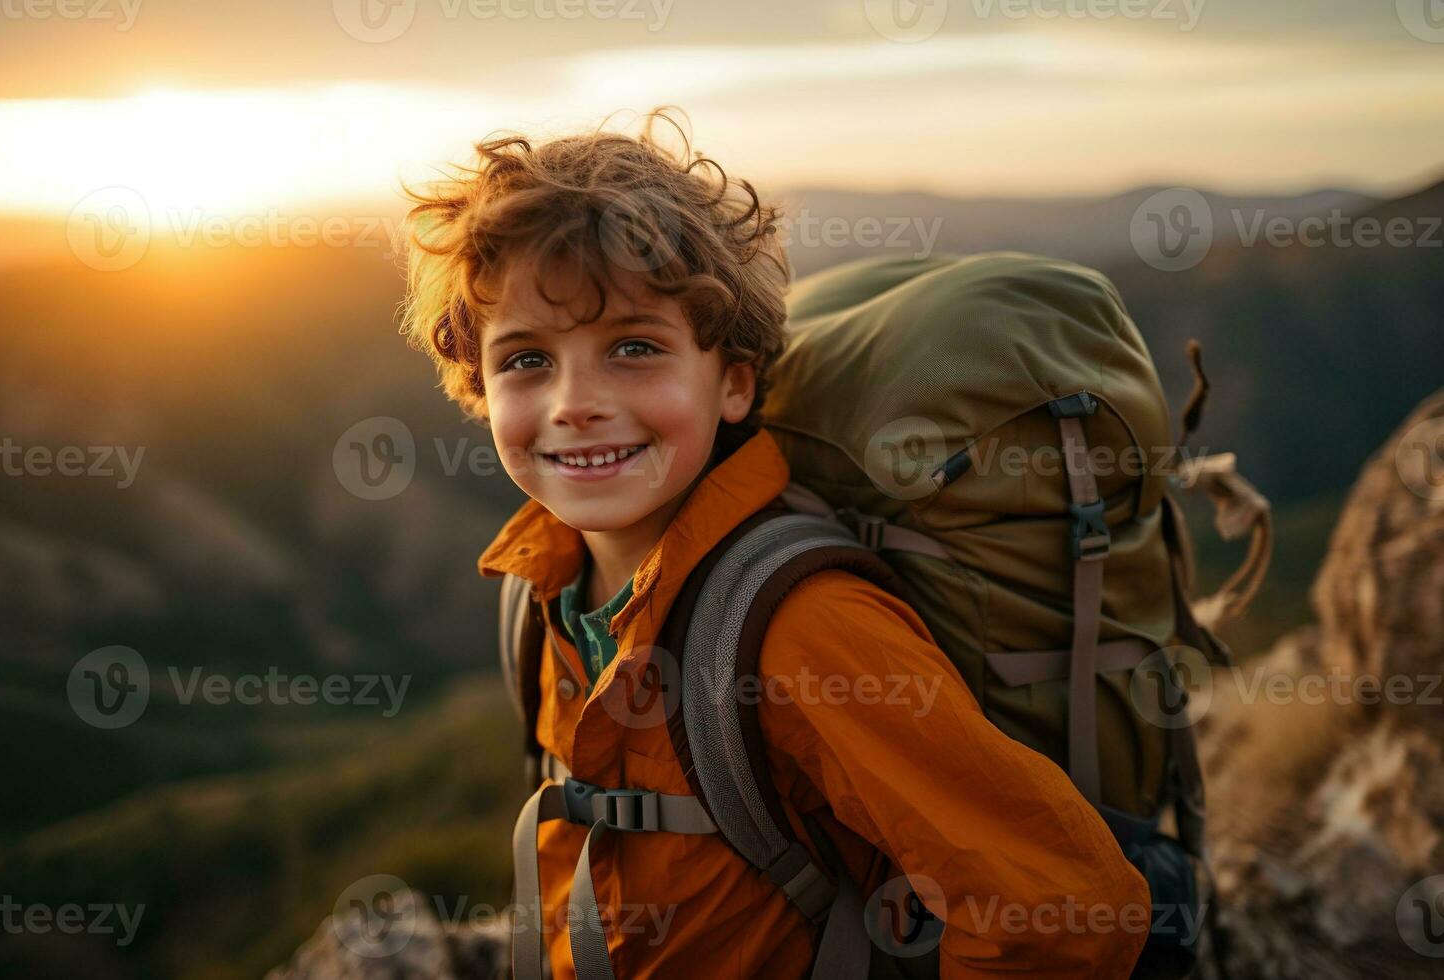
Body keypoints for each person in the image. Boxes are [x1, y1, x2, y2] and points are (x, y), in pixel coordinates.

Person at [399, 106, 1150, 978]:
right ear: (476, 386)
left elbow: (1064, 907)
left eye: (634, 347)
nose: (574, 402)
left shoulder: (801, 629)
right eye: (526, 359)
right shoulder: (540, 588)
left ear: (733, 385)